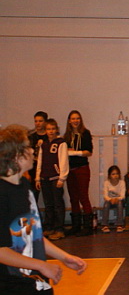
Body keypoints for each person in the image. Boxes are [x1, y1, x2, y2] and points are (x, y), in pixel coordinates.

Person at [0, 124, 87, 294]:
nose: (33, 151)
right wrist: (41, 265)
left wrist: (64, 257)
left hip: (36, 281)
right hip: (12, 284)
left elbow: (34, 234)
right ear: (16, 155)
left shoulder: (24, 186)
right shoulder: (2, 195)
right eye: (28, 147)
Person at [35, 119, 68, 241]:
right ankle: (49, 227)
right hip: (45, 177)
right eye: (49, 129)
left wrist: (62, 177)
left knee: (58, 203)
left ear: (57, 129)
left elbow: (63, 160)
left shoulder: (61, 143)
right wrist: (37, 178)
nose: (51, 131)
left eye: (53, 129)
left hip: (56, 177)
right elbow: (40, 161)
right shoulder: (43, 144)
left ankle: (59, 229)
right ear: (45, 131)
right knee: (48, 204)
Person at [64, 110, 93, 237]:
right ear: (69, 121)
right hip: (70, 170)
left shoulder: (85, 133)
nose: (75, 121)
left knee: (83, 196)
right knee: (73, 197)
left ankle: (88, 226)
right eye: (73, 119)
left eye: (77, 118)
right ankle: (76, 226)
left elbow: (89, 152)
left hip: (82, 168)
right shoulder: (66, 136)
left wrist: (75, 152)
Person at [27, 112, 48, 205]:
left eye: (40, 121)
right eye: (36, 121)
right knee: (33, 193)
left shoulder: (49, 136)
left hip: (46, 166)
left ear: (45, 122)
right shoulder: (30, 136)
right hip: (33, 167)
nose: (38, 123)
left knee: (48, 194)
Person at [100, 165, 125, 233]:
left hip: (118, 200)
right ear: (109, 175)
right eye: (113, 174)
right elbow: (105, 196)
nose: (115, 176)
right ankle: (104, 225)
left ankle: (119, 224)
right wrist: (111, 200)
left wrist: (116, 199)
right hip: (110, 200)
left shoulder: (122, 182)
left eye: (117, 174)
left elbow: (122, 196)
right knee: (106, 205)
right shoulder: (106, 183)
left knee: (120, 204)